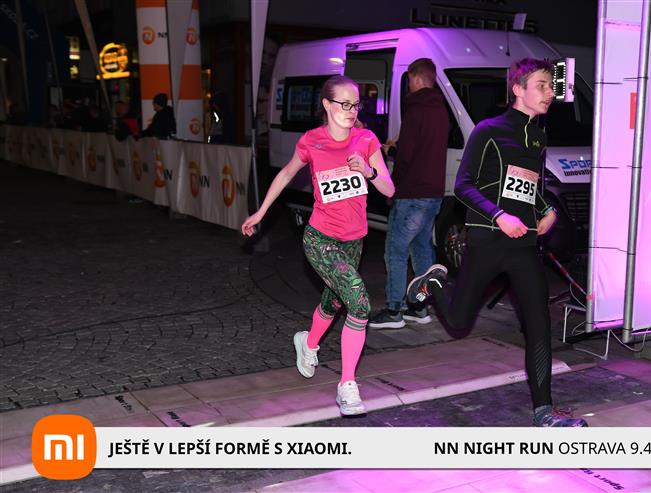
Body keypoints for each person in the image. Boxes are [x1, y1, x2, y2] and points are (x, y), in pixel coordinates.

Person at [406, 58, 588, 427]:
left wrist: (547, 210)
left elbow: (529, 186)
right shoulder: (488, 130)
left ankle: (543, 411)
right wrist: (499, 216)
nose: (549, 93)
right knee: (458, 321)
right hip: (488, 240)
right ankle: (434, 283)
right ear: (518, 89)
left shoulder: (538, 137)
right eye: (541, 85)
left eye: (550, 86)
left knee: (539, 325)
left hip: (524, 247)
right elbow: (463, 185)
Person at [242, 75, 395, 416]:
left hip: (354, 240)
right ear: (327, 104)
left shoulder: (366, 139)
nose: (352, 111)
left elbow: (389, 189)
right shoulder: (312, 141)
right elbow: (285, 175)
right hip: (320, 238)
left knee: (335, 299)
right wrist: (261, 212)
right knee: (358, 300)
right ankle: (347, 385)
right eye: (344, 104)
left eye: (356, 104)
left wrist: (369, 172)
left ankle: (308, 342)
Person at [368, 58, 449, 329]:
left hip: (411, 193)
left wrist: (393, 188)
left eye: (409, 80)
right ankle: (419, 306)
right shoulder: (440, 110)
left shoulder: (415, 109)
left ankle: (393, 311)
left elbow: (406, 158)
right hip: (433, 193)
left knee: (395, 251)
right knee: (422, 248)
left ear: (414, 77)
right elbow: (427, 149)